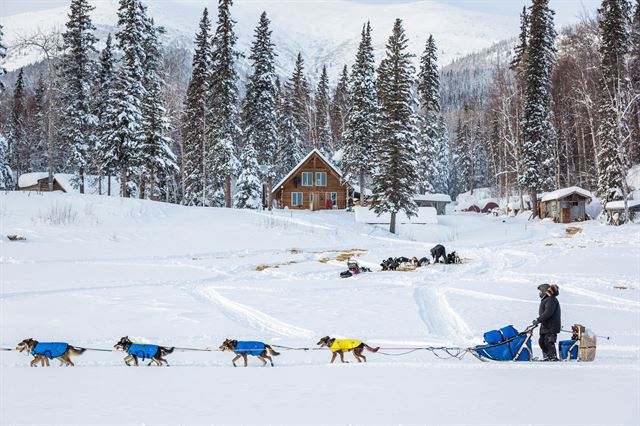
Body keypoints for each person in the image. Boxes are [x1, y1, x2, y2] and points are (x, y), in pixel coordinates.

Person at [533, 283, 561, 361]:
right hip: (546, 325)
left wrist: (538, 320)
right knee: (542, 341)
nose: (540, 293)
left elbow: (548, 313)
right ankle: (547, 357)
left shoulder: (551, 299)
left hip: (551, 326)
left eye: (541, 291)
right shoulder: (547, 299)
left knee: (549, 342)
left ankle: (553, 357)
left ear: (545, 291)